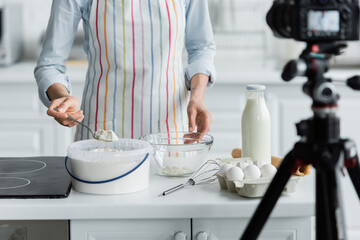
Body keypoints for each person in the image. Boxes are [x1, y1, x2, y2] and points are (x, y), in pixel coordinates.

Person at [35, 0, 216, 141]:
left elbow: (201, 48)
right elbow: (50, 64)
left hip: (170, 133)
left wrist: (197, 97)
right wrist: (61, 97)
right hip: (102, 134)